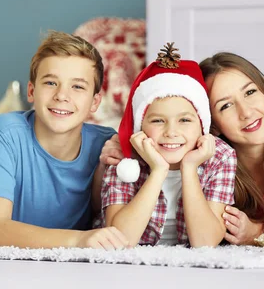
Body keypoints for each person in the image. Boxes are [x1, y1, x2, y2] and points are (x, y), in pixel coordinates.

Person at [100, 52, 264, 246]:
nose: (246, 112)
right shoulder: (207, 155)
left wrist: (257, 233)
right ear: (212, 126)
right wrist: (120, 141)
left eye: (250, 92)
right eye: (226, 106)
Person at [0, 31, 129, 250]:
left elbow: (103, 218)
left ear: (95, 102)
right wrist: (78, 240)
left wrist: (101, 172)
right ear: (31, 91)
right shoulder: (5, 132)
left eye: (78, 86)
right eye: (51, 83)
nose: (62, 96)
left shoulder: (106, 143)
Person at [99, 43, 236, 247]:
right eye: (157, 121)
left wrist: (189, 168)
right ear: (140, 127)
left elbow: (205, 243)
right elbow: (120, 240)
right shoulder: (124, 156)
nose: (171, 132)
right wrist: (158, 171)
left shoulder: (220, 156)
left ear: (202, 126)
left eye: (185, 120)